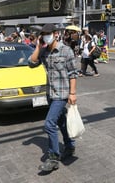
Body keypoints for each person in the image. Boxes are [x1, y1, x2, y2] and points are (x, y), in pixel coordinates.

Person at [27, 23, 78, 172]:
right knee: (61, 122)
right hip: (50, 93)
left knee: (49, 124)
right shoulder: (44, 52)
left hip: (62, 94)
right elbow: (31, 63)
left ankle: (53, 157)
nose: (46, 36)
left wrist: (73, 93)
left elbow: (73, 73)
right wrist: (38, 47)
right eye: (43, 34)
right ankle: (69, 146)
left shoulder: (66, 51)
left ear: (55, 34)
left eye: (48, 33)